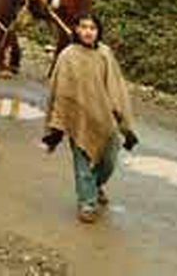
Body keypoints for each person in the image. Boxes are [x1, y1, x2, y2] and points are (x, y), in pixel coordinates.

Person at [43, 14, 138, 223]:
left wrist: (125, 126)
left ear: (98, 31)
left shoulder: (105, 54)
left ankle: (95, 185)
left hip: (105, 119)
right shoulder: (67, 56)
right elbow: (60, 92)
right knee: (82, 165)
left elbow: (117, 88)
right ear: (76, 30)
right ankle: (87, 203)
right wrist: (57, 126)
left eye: (92, 28)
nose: (88, 32)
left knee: (109, 161)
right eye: (83, 27)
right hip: (78, 120)